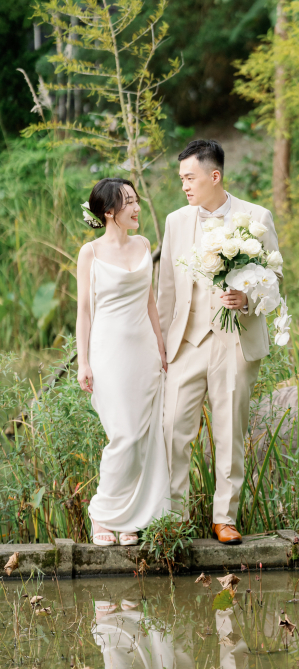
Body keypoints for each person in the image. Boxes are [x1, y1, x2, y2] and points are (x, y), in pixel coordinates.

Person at [157, 139, 279, 545]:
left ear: (215, 176)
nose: (184, 186)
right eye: (181, 179)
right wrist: (162, 345)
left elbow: (275, 283)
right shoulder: (176, 221)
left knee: (229, 431)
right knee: (173, 427)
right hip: (187, 342)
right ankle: (174, 517)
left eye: (189, 177)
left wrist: (247, 299)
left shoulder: (256, 217)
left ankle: (224, 518)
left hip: (235, 340)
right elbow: (167, 289)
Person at [76, 178, 171, 547]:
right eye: (128, 202)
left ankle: (129, 516)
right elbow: (84, 311)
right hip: (109, 352)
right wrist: (83, 361)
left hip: (144, 351)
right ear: (109, 211)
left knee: (145, 436)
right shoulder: (91, 253)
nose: (137, 207)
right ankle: (102, 512)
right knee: (124, 435)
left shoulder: (144, 245)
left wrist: (161, 349)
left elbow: (149, 301)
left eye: (136, 199)